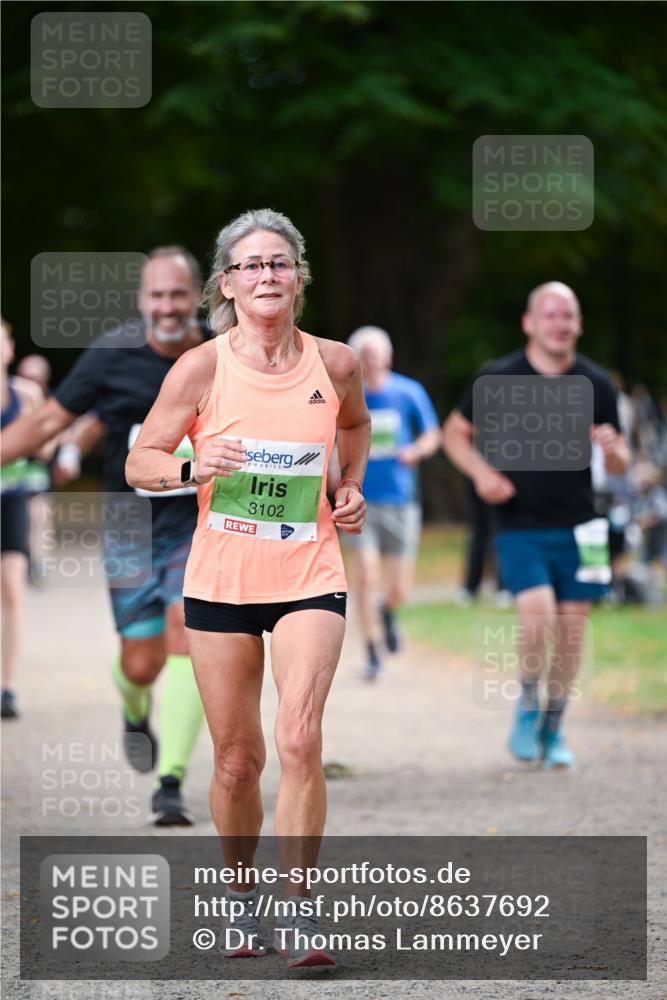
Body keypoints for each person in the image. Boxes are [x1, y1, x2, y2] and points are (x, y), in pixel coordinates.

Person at [126, 208, 370, 967]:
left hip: (309, 571)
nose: (266, 275)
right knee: (237, 759)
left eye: (279, 262)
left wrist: (349, 485)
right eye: (250, 265)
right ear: (226, 285)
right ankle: (239, 896)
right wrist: (192, 467)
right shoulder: (201, 368)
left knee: (299, 735)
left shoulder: (337, 364)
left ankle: (298, 913)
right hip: (222, 580)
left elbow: (355, 427)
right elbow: (140, 461)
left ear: (298, 277)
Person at [1, 247, 207, 824]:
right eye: (156, 296)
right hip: (129, 525)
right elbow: (49, 421)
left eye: (178, 295)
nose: (167, 307)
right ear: (142, 300)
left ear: (196, 296)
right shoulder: (112, 354)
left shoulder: (223, 350)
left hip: (200, 519)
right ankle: (136, 710)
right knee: (140, 663)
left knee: (187, 633)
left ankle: (170, 781)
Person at [443, 282, 630, 767]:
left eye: (568, 315)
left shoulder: (597, 384)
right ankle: (528, 704)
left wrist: (614, 451)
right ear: (529, 323)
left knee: (572, 631)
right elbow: (454, 434)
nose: (559, 323)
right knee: (537, 616)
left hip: (584, 525)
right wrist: (482, 473)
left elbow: (620, 465)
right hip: (519, 524)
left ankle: (555, 725)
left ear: (579, 324)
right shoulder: (498, 377)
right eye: (550, 314)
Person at [345, 326, 440, 679]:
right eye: (365, 356)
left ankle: (388, 611)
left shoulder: (408, 392)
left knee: (400, 587)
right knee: (366, 575)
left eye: (377, 354)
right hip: (360, 499)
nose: (372, 361)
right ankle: (372, 651)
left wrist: (416, 451)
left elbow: (432, 434)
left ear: (388, 357)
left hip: (401, 500)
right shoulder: (348, 395)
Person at [1, 321, 45, 718]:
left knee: (12, 590)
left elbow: (45, 447)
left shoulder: (26, 395)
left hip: (12, 499)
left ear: (9, 349)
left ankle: (7, 687)